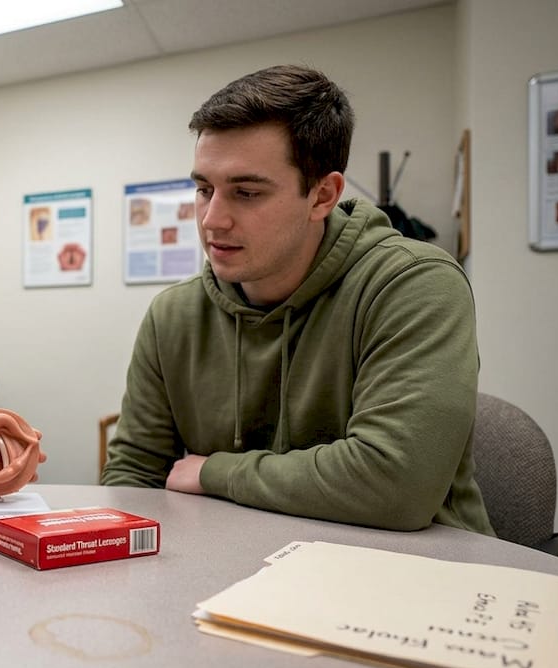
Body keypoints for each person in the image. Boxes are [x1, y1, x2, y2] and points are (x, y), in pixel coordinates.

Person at [101, 65, 494, 536]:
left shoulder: (413, 284)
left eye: (246, 193)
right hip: (231, 568)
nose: (212, 220)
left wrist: (213, 471)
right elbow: (133, 479)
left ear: (322, 196)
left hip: (413, 576)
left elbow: (395, 486)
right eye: (204, 190)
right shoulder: (174, 315)